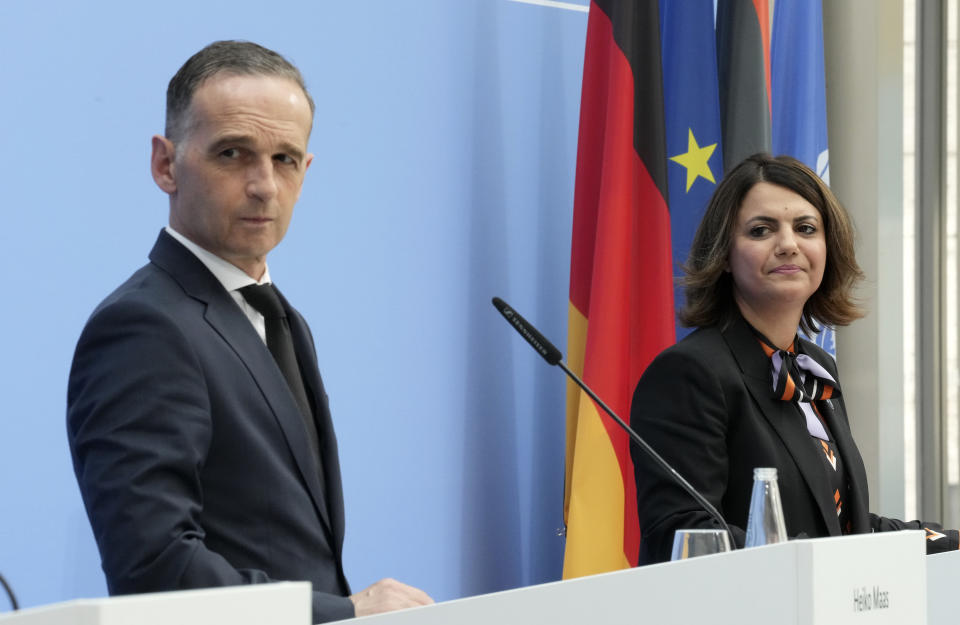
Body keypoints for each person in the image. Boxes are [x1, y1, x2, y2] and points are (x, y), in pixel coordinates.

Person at [67, 40, 432, 622]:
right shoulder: (142, 327)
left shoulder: (281, 319)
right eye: (233, 153)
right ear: (166, 164)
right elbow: (153, 567)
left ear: (306, 171)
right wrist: (340, 613)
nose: (264, 185)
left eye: (285, 158)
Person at [629, 153, 958, 564]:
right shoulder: (689, 373)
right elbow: (685, 536)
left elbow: (842, 528)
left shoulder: (815, 367)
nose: (788, 245)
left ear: (827, 248)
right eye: (761, 230)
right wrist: (814, 562)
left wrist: (950, 542)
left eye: (806, 228)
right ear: (725, 256)